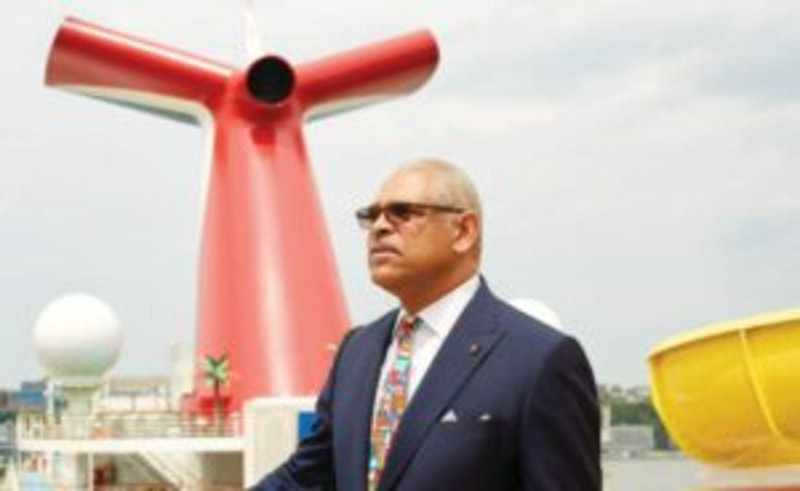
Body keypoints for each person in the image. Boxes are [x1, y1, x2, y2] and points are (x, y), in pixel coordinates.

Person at [252, 158, 601, 490]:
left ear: (463, 231)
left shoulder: (537, 359)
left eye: (402, 213)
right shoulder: (356, 351)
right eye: (371, 216)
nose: (379, 227)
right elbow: (308, 478)